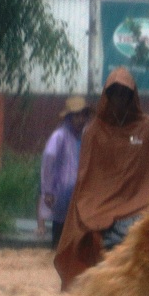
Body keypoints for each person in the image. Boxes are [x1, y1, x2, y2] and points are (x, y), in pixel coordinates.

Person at [54, 67, 149, 291]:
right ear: (107, 96)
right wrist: (94, 206)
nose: (119, 98)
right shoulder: (93, 132)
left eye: (124, 93)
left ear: (132, 96)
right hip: (101, 207)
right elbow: (87, 179)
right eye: (115, 93)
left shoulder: (146, 127)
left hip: (141, 206)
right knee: (85, 234)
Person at [38, 95, 92, 248]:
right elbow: (49, 159)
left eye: (83, 115)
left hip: (82, 193)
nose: (80, 119)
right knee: (60, 231)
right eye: (76, 115)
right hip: (62, 194)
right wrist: (47, 190)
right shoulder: (60, 136)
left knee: (80, 233)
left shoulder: (87, 136)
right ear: (69, 117)